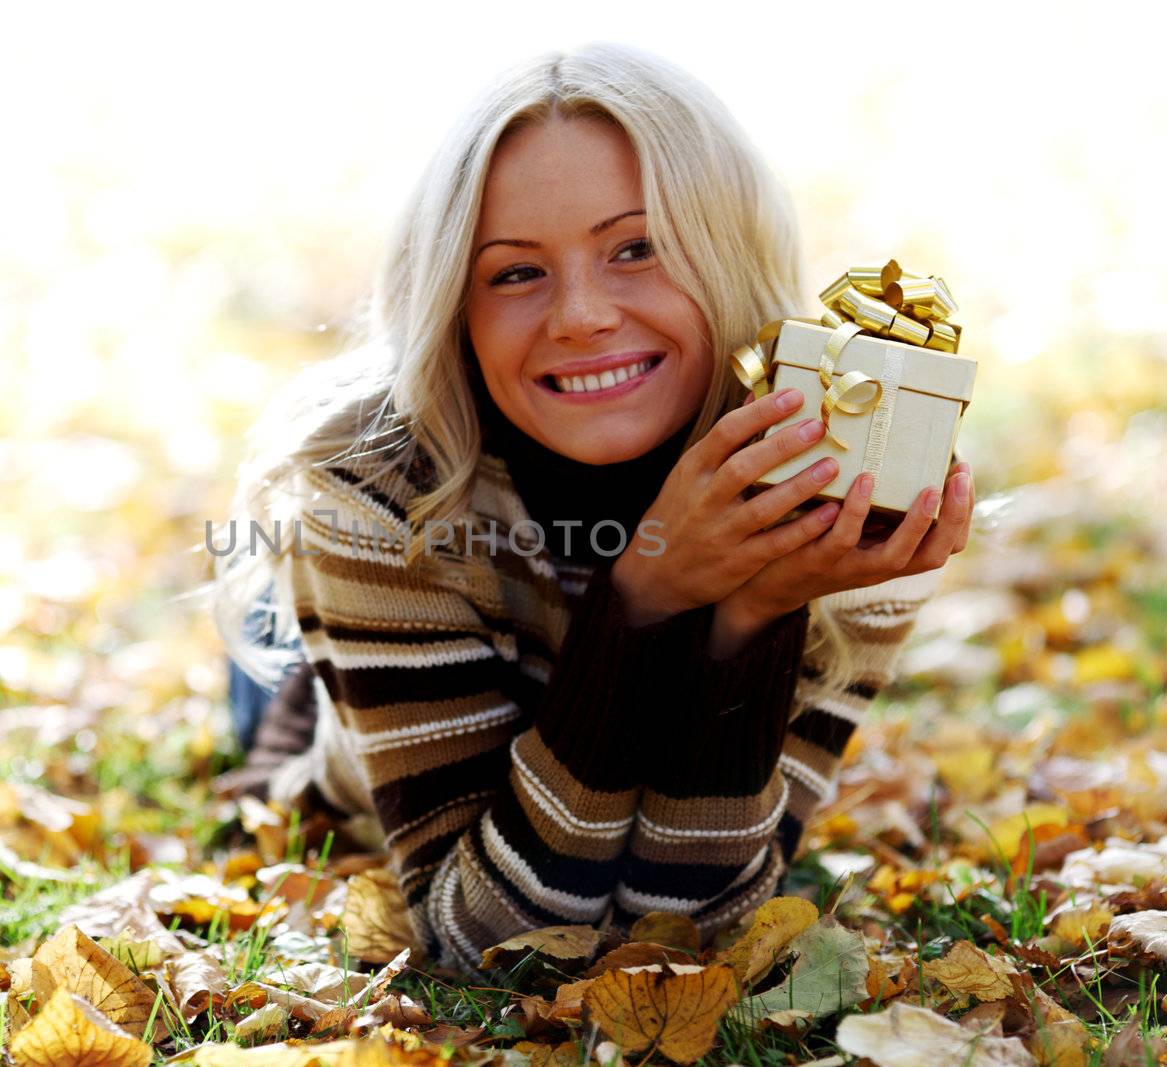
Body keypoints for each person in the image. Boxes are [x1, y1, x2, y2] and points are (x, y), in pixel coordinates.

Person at [206, 42, 973, 973]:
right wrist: (645, 591)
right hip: (345, 719)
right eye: (515, 272)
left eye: (638, 248)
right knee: (273, 674)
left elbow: (692, 933)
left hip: (540, 728)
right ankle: (281, 639)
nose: (582, 316)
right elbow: (485, 941)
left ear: (725, 253)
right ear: (455, 299)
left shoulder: (841, 484)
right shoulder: (366, 488)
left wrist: (752, 616)